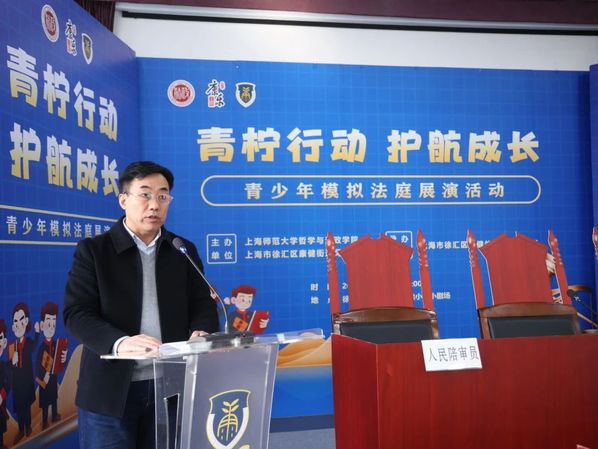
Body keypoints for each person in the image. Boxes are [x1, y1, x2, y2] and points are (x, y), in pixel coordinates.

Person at [63, 161, 219, 449]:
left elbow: (203, 303)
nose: (154, 204)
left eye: (163, 196)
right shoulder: (95, 251)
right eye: (145, 194)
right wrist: (119, 343)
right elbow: (77, 313)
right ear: (123, 200)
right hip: (110, 393)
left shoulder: (181, 249)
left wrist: (203, 330)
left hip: (171, 387)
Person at [9, 302, 39, 444]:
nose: (18, 325)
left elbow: (34, 347)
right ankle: (21, 429)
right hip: (17, 384)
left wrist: (37, 332)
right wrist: (12, 362)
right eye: (15, 321)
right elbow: (10, 368)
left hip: (26, 382)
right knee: (20, 408)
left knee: (26, 407)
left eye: (21, 320)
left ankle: (28, 427)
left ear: (26, 321)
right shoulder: (12, 346)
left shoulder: (28, 342)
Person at [36, 301, 67, 430]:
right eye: (48, 324)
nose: (51, 327)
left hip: (53, 379)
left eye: (53, 324)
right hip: (45, 380)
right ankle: (44, 421)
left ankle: (54, 415)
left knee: (54, 398)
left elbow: (60, 363)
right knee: (44, 403)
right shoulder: (41, 348)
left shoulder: (56, 344)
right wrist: (43, 376)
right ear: (42, 325)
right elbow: (37, 366)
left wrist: (63, 359)